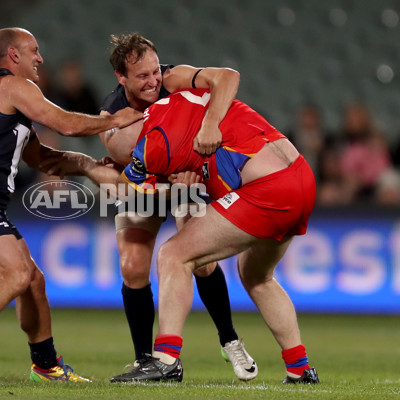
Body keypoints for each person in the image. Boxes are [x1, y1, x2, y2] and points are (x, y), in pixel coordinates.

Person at [43, 87, 320, 384]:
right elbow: (225, 79)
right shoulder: (192, 98)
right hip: (300, 177)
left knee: (173, 256)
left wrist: (87, 166)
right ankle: (299, 368)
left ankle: (166, 359)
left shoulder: (158, 137)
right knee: (256, 277)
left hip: (268, 190)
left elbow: (127, 187)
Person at [0, 27, 142, 383]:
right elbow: (64, 123)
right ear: (13, 55)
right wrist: (113, 120)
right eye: (34, 50)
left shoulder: (3, 101)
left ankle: (46, 366)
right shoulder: (13, 85)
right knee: (15, 274)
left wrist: (89, 167)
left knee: (33, 281)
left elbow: (42, 157)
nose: (40, 58)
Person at [98, 33, 257, 381]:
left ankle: (229, 339)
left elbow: (227, 77)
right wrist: (171, 179)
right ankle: (146, 361)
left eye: (155, 70)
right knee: (132, 267)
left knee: (201, 262)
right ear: (120, 78)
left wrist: (208, 131)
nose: (154, 80)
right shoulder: (115, 119)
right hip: (150, 187)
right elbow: (130, 178)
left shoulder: (174, 78)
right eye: (142, 76)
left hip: (189, 180)